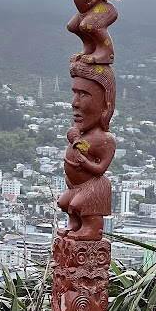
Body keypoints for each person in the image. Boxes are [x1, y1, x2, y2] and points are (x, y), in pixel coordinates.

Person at [57, 63, 116, 240]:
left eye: (84, 95)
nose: (74, 103)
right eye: (75, 93)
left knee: (78, 204)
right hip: (75, 187)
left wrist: (86, 163)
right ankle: (75, 224)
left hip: (93, 189)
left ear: (105, 106)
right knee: (64, 203)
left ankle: (92, 228)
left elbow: (101, 169)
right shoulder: (81, 136)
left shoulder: (105, 140)